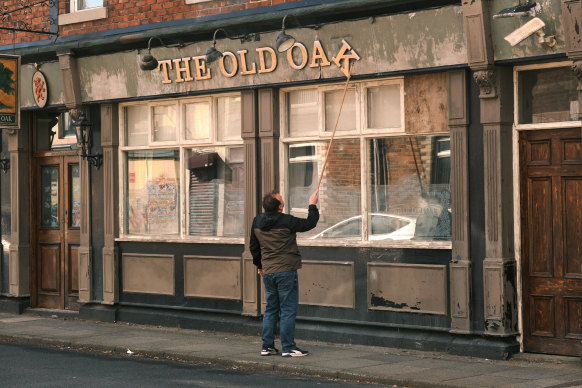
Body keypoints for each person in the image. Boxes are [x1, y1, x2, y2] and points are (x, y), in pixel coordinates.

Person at [250, 190, 319, 357]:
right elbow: (310, 223)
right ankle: (288, 348)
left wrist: (260, 265)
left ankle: (267, 346)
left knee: (271, 309)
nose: (283, 200)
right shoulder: (287, 220)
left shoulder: (257, 221)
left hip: (268, 272)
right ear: (280, 207)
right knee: (288, 309)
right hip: (286, 271)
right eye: (281, 200)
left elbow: (254, 247)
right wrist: (312, 204)